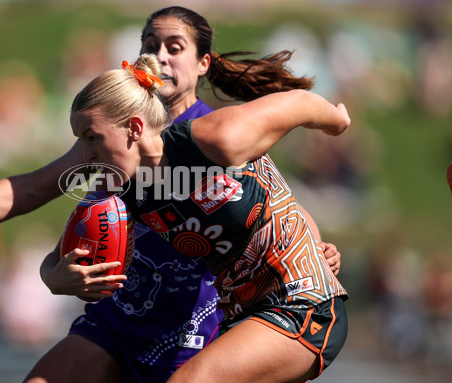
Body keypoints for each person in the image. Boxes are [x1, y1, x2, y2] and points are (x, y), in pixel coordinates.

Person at [0, 7, 342, 383]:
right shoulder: (117, 161)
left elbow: (293, 118)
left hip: (222, 322)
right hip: (128, 317)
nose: (159, 55)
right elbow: (38, 188)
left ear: (203, 63)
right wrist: (45, 273)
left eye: (174, 46)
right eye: (149, 44)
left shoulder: (217, 134)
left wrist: (335, 121)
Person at [66, 53, 349, 383]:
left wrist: (338, 121)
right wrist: (58, 279)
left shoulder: (215, 138)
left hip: (303, 304)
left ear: (134, 128)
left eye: (91, 138)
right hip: (241, 318)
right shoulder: (120, 188)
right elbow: (60, 258)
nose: (86, 156)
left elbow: (299, 103)